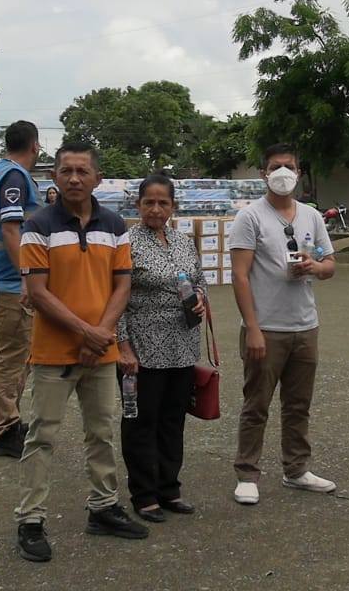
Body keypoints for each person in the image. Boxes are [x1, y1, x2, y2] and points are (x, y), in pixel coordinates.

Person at [14, 141, 146, 564]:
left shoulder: (115, 225)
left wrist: (101, 335)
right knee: (42, 436)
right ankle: (30, 520)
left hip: (101, 352)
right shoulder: (38, 225)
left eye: (82, 171)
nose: (74, 178)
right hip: (54, 352)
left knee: (101, 432)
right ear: (54, 176)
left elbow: (122, 285)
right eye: (66, 170)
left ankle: (103, 507)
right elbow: (38, 292)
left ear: (97, 178)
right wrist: (89, 333)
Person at [228, 143, 337, 505]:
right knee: (256, 404)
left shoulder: (312, 216)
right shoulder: (250, 218)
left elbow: (330, 265)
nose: (282, 173)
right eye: (275, 167)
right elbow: (240, 276)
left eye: (289, 166)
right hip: (266, 328)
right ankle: (247, 473)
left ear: (299, 173)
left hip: (305, 325)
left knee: (298, 404)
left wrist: (314, 266)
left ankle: (296, 469)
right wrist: (253, 328)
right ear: (263, 173)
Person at [116, 174, 206, 522]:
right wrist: (123, 347)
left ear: (173, 206)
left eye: (162, 203)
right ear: (137, 205)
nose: (155, 209)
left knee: (172, 420)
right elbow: (115, 298)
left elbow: (199, 281)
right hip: (142, 351)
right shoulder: (126, 243)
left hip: (182, 347)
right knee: (141, 421)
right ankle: (144, 494)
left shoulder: (183, 242)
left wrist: (200, 298)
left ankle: (169, 488)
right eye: (149, 202)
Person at [0, 121, 40, 458]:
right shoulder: (15, 177)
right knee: (12, 358)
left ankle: (9, 419)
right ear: (35, 145)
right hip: (11, 282)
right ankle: (4, 428)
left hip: (5, 278)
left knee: (17, 356)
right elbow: (10, 230)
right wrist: (27, 275)